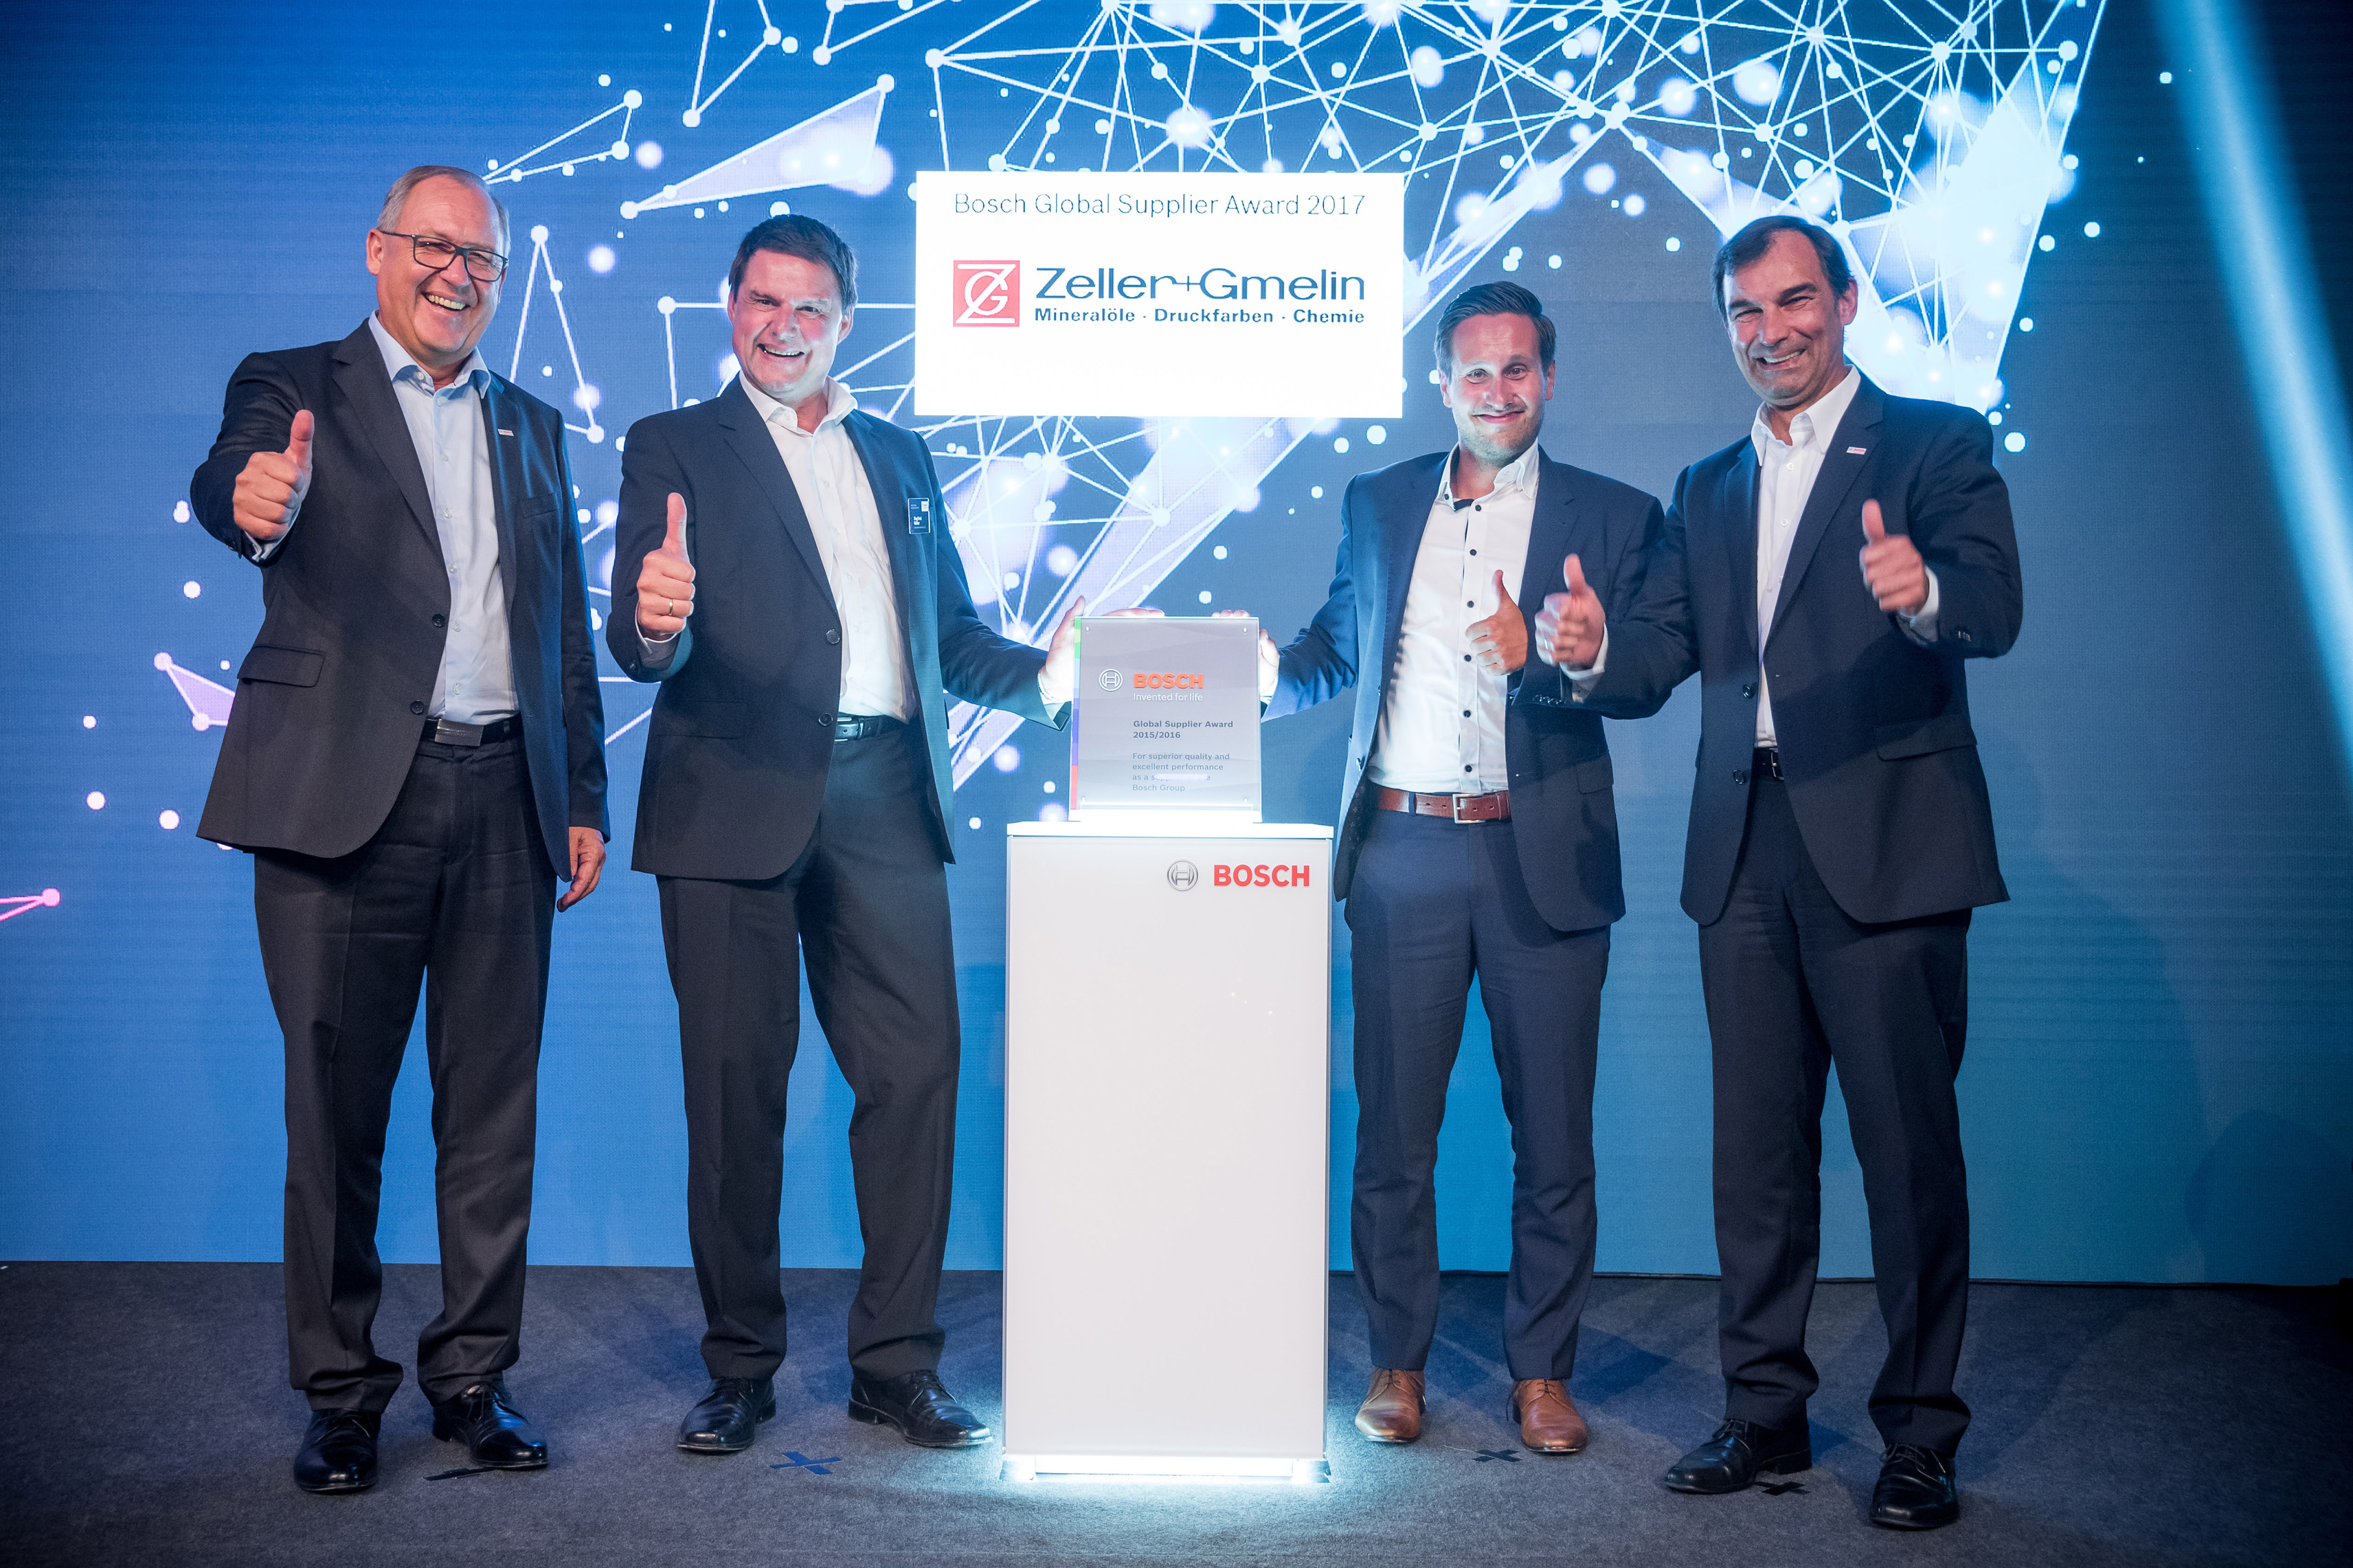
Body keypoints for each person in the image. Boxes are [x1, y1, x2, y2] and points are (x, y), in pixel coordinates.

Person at [1551, 215, 2023, 1530]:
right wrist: (1589, 652)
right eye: (1746, 312)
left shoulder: (1932, 443)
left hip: (1886, 844)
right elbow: (1659, 659)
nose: (1772, 331)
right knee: (1755, 1159)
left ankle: (1919, 1435)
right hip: (1742, 849)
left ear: (1845, 302)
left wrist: (1922, 591)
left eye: (1794, 301)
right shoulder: (1706, 485)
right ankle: (1762, 1414)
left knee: (1907, 1160)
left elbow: (1992, 606)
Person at [608, 215, 1082, 1456]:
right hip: (730, 794)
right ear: (732, 308)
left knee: (915, 1078)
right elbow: (641, 636)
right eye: (764, 302)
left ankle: (896, 1366)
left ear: (844, 323)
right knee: (734, 1093)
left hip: (882, 792)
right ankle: (739, 1368)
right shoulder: (672, 443)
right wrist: (655, 623)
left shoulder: (900, 455)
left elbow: (950, 636)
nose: (785, 326)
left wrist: (1052, 676)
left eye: (809, 307)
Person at [190, 165, 609, 1494]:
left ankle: (475, 1378)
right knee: (336, 1111)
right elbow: (235, 482)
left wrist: (581, 795)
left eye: (480, 259)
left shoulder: (531, 424)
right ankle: (340, 1395)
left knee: (491, 1112)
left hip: (506, 799)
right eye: (433, 246)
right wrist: (249, 500)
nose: (455, 275)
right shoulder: (291, 382)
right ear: (377, 250)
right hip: (341, 802)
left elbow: (560, 626)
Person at [1252, 281, 1663, 1453]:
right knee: (1394, 1136)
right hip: (1404, 850)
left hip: (1543, 855)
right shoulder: (1379, 501)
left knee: (1555, 1140)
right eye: (1474, 371)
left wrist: (1572, 653)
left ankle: (1541, 1376)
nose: (1496, 390)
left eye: (1517, 368)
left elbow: (1645, 671)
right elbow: (1339, 648)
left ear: (1549, 378)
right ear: (1441, 384)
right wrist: (1258, 672)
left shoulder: (1616, 515)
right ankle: (1397, 1364)